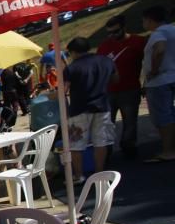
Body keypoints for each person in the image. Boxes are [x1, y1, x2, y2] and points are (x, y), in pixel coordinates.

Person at [63, 36, 118, 181]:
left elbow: (63, 90)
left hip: (79, 109)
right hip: (102, 106)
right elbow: (115, 79)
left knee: (76, 144)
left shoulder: (72, 68)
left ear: (73, 52)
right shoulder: (106, 61)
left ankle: (79, 175)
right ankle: (99, 174)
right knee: (101, 142)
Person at [95, 15, 147, 158]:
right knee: (107, 122)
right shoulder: (104, 46)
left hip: (130, 89)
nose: (112, 35)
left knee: (130, 121)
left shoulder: (138, 42)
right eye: (109, 33)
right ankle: (107, 149)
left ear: (124, 27)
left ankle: (128, 146)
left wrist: (145, 83)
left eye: (116, 31)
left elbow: (148, 64)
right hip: (108, 92)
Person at [141, 5, 175, 163]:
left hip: (160, 80)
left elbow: (160, 49)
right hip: (172, 75)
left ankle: (168, 150)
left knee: (163, 116)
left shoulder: (158, 34)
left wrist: (154, 70)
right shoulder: (172, 30)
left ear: (150, 20)